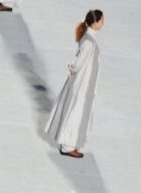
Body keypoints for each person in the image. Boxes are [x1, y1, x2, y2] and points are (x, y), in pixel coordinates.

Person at [43, 10, 104, 158]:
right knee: (75, 111)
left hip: (83, 82)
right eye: (102, 21)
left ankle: (69, 143)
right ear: (95, 23)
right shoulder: (89, 42)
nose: (103, 23)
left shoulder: (89, 39)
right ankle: (68, 145)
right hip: (81, 84)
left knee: (75, 110)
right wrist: (74, 70)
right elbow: (78, 63)